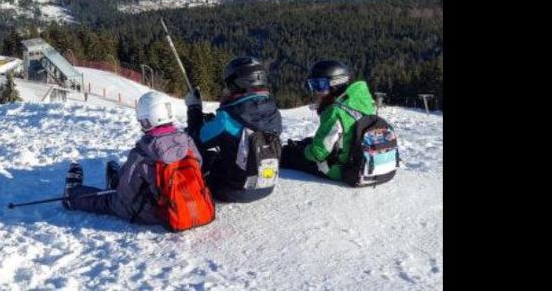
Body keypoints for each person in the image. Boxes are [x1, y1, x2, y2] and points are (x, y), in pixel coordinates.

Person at [62, 92, 205, 226]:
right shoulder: (187, 141)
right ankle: (117, 179)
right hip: (189, 204)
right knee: (134, 173)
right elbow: (199, 163)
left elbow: (126, 195)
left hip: (154, 212)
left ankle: (72, 196)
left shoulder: (142, 152)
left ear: (147, 121)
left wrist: (117, 192)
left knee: (109, 201)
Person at [185, 56, 283, 202]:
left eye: (228, 84)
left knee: (205, 157)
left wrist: (194, 108)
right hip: (267, 186)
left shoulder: (227, 117)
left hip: (233, 190)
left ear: (237, 83)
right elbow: (246, 127)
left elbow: (195, 140)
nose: (226, 89)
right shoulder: (274, 112)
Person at [279, 59, 376, 182]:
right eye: (312, 85)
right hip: (361, 158)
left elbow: (318, 154)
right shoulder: (363, 99)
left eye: (319, 85)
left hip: (342, 169)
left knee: (289, 154)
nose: (315, 90)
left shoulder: (334, 111)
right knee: (307, 142)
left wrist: (302, 151)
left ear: (336, 83)